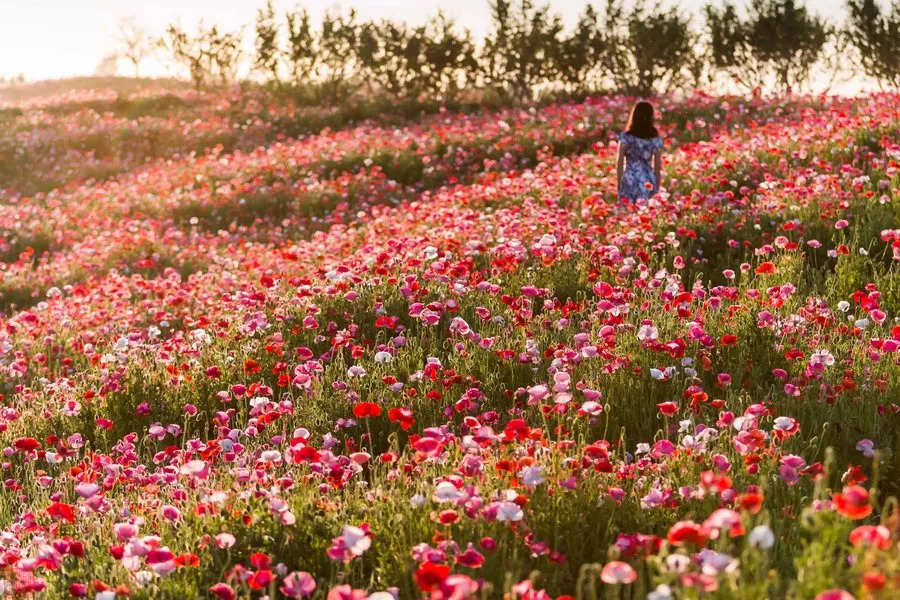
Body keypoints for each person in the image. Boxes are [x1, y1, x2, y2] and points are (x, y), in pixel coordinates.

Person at [616, 101, 663, 201]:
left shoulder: (626, 137)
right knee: (645, 209)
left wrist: (619, 183)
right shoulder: (654, 139)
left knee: (627, 209)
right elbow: (657, 167)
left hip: (630, 179)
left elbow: (619, 162)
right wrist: (657, 189)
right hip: (647, 181)